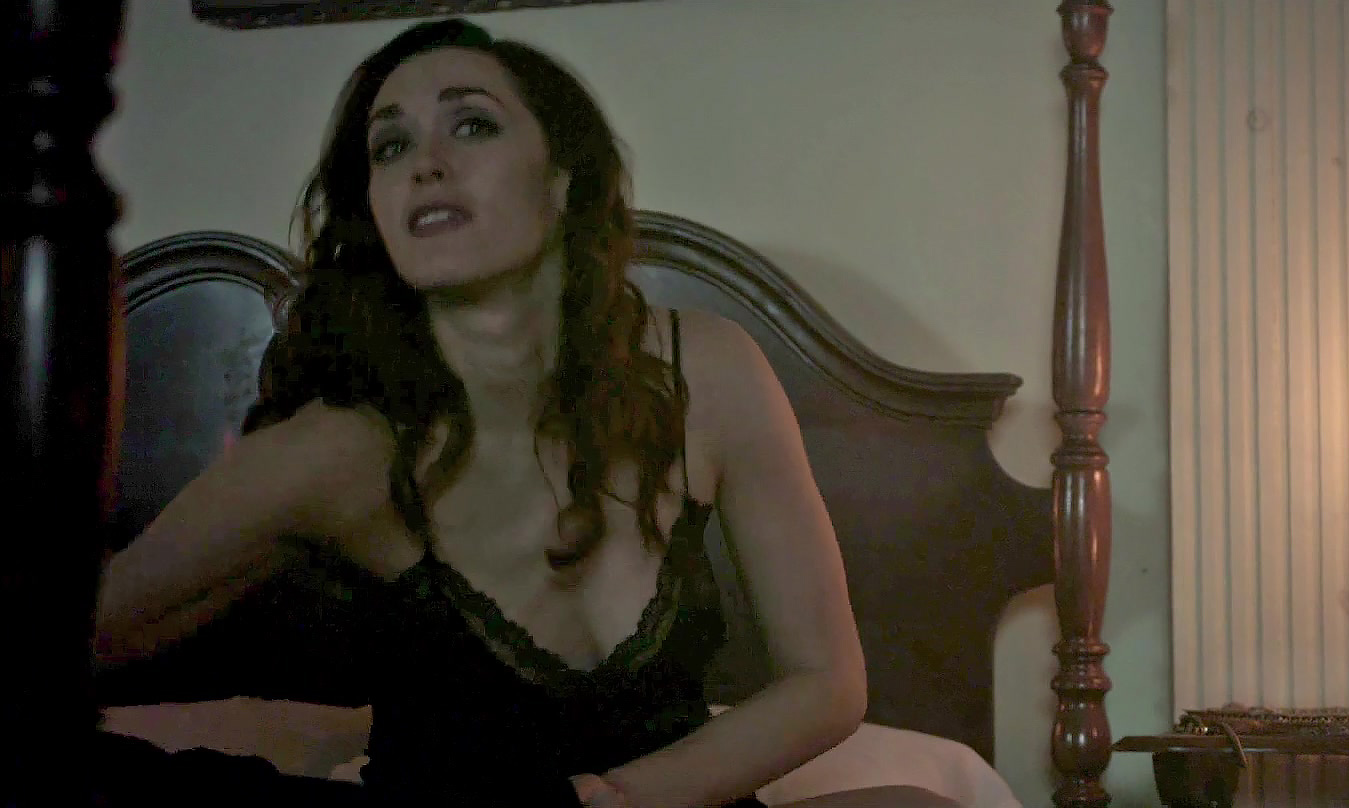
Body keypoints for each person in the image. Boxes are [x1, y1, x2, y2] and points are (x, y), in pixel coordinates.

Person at [92, 18, 875, 807]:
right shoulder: (343, 447)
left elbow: (827, 681)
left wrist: (621, 796)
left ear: (562, 179)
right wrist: (291, 731)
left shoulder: (706, 369)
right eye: (390, 147)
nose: (426, 163)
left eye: (472, 125)